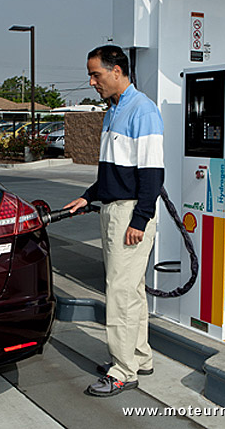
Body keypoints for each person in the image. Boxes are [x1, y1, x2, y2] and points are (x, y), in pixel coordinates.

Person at [65, 45, 164, 397]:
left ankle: (122, 371)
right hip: (113, 208)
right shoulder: (113, 112)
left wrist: (140, 219)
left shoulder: (143, 111)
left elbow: (152, 174)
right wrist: (89, 196)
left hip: (130, 213)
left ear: (117, 71)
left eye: (97, 74)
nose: (92, 82)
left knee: (119, 293)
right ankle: (139, 356)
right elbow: (113, 171)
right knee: (131, 290)